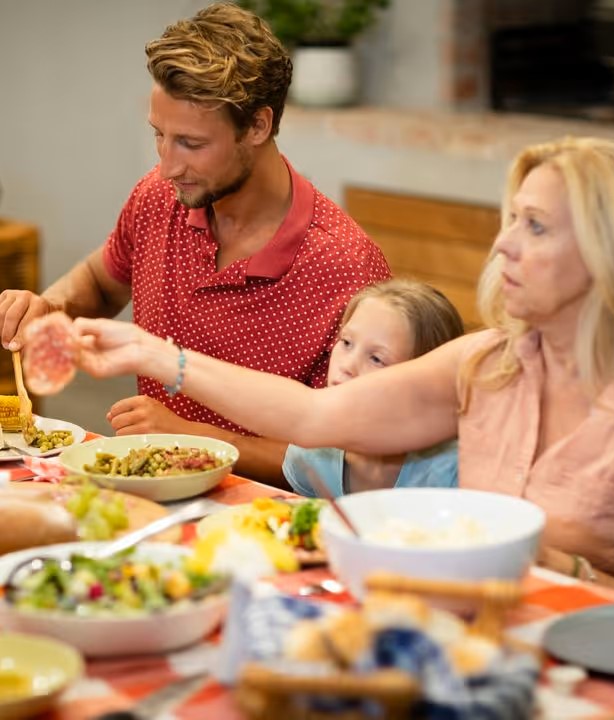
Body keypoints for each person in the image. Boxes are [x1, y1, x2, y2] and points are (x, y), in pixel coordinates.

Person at [66, 135, 614, 596]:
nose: (504, 244)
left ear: (610, 253)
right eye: (511, 220)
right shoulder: (485, 365)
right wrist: (154, 354)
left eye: (535, 226)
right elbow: (314, 414)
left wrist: (565, 569)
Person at [0, 2, 390, 486]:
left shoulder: (345, 267)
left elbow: (348, 461)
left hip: (263, 524)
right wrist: (49, 306)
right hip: (144, 496)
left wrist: (193, 439)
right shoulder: (158, 196)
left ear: (258, 126)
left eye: (191, 143)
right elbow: (100, 284)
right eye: (159, 136)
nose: (167, 166)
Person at [283, 279, 463, 497]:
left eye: (377, 359)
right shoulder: (310, 451)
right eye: (346, 342)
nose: (347, 366)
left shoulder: (455, 474)